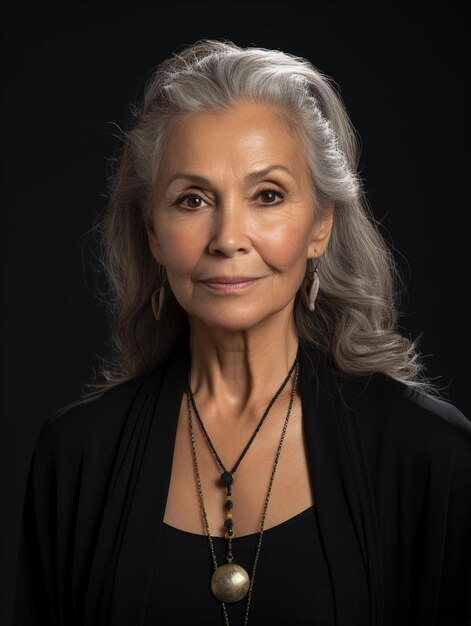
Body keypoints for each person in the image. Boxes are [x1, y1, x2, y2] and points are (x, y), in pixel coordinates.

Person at [12, 38, 471, 626]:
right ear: (153, 233)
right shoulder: (75, 456)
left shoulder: (429, 454)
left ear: (320, 226)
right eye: (193, 199)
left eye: (268, 196)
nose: (228, 237)